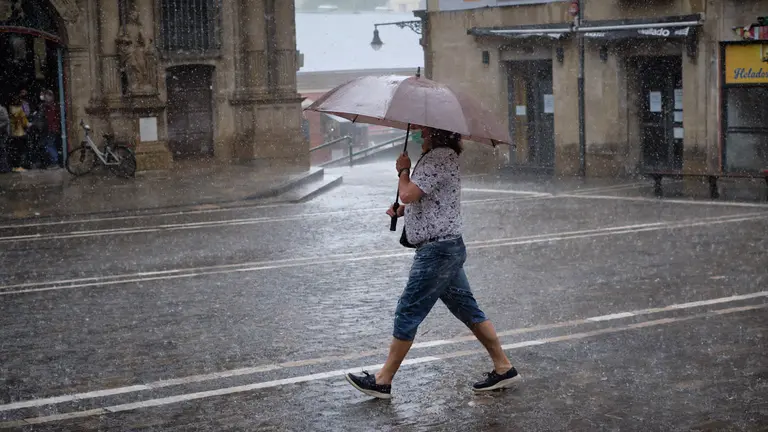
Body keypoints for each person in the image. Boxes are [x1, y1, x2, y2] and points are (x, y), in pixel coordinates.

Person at [345, 127, 520, 399]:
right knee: (468, 310)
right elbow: (427, 198)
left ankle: (383, 380)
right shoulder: (436, 157)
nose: (420, 133)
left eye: (425, 131)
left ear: (436, 133)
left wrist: (403, 171)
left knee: (408, 309)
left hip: (437, 252)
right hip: (445, 249)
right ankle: (504, 367)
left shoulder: (440, 157)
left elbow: (408, 193)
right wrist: (404, 211)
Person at [8, 95, 29, 172]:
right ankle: (19, 166)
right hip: (20, 133)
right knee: (21, 151)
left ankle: (15, 166)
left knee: (15, 150)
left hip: (13, 133)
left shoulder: (10, 108)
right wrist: (27, 125)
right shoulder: (20, 110)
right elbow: (24, 122)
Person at [40, 90, 61, 168]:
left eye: (46, 96)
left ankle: (55, 162)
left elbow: (50, 119)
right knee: (49, 145)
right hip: (52, 128)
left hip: (51, 129)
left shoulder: (50, 106)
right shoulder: (52, 105)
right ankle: (54, 161)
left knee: (49, 145)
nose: (44, 98)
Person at [0, 103, 10, 173]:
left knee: (2, 150)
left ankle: (4, 168)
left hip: (2, 134)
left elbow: (6, 121)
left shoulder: (1, 109)